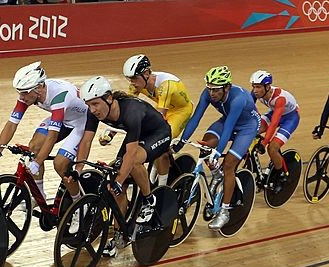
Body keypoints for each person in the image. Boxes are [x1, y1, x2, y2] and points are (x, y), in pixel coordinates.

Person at [80, 76, 172, 257]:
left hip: (158, 133)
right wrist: (78, 169)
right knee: (117, 186)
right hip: (135, 135)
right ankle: (120, 235)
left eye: (96, 104)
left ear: (108, 98)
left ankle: (148, 200)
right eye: (89, 105)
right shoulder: (94, 111)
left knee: (133, 163)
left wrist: (119, 180)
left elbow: (131, 155)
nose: (93, 110)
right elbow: (86, 141)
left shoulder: (131, 111)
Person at [0, 61, 90, 208]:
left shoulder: (59, 96)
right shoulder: (29, 94)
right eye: (20, 92)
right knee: (33, 147)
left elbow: (52, 136)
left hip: (81, 123)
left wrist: (37, 163)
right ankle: (39, 196)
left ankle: (79, 203)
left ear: (39, 88)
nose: (22, 97)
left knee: (60, 163)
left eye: (25, 92)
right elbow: (12, 123)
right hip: (64, 118)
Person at [172, 66, 262, 231]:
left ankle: (225, 211)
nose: (211, 93)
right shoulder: (207, 94)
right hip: (228, 121)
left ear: (226, 87)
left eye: (215, 90)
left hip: (246, 127)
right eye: (209, 88)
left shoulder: (238, 99)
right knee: (205, 145)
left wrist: (218, 152)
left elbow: (229, 128)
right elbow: (196, 118)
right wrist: (181, 142)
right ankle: (216, 174)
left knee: (228, 164)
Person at [117, 54, 194, 187]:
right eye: (129, 79)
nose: (132, 83)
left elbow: (160, 119)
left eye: (134, 78)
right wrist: (111, 133)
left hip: (180, 112)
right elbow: (125, 109)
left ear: (146, 74)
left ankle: (162, 187)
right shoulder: (137, 84)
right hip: (163, 107)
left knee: (160, 146)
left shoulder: (166, 86)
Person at [249, 70, 298, 186]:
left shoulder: (280, 98)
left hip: (290, 119)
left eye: (258, 87)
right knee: (252, 129)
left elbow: (274, 123)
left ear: (267, 86)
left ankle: (281, 174)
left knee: (272, 148)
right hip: (274, 112)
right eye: (253, 87)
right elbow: (249, 108)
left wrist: (264, 142)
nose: (255, 90)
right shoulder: (256, 93)